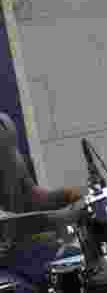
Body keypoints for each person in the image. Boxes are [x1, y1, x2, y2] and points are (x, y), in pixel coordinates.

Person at [0, 113, 82, 293]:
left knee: (86, 265)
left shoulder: (5, 126)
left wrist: (68, 195)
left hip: (22, 251)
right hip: (8, 258)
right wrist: (66, 217)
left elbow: (32, 197)